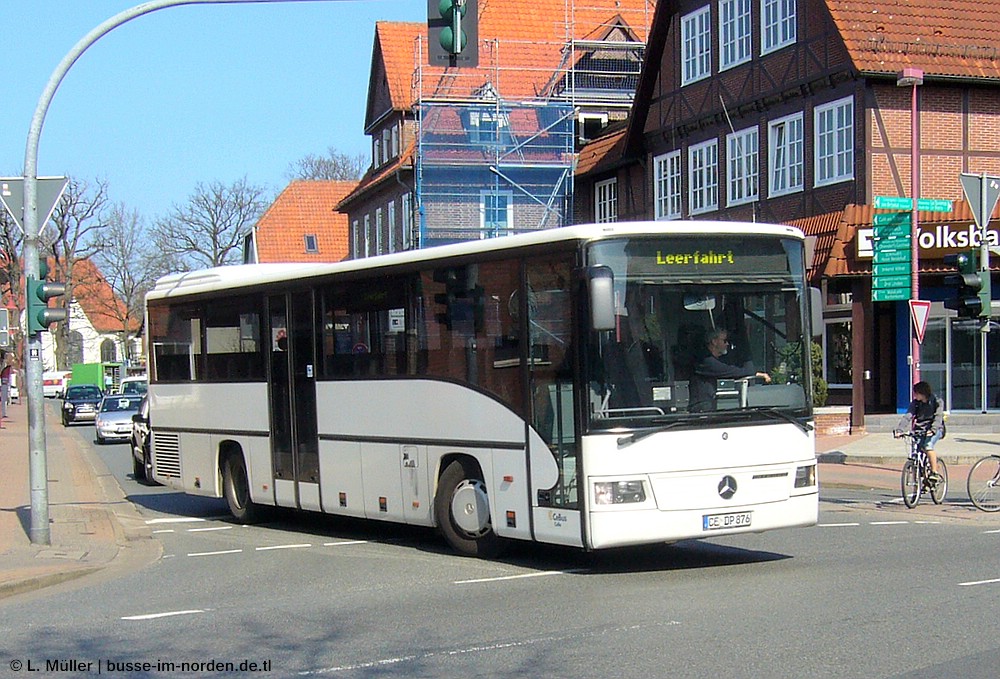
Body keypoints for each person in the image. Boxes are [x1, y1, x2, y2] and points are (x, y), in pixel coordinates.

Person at [689, 327, 770, 412]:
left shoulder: (716, 360)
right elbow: (729, 371)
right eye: (724, 341)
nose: (727, 344)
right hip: (701, 411)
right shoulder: (705, 361)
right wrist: (754, 373)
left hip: (710, 406)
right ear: (714, 342)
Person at [903, 381, 945, 484]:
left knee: (928, 446)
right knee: (916, 450)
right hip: (920, 430)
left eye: (916, 393)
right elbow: (908, 416)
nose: (915, 395)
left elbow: (938, 417)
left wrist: (933, 429)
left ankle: (934, 472)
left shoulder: (937, 401)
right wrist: (899, 430)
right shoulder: (915, 403)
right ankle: (921, 474)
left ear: (923, 393)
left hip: (935, 429)